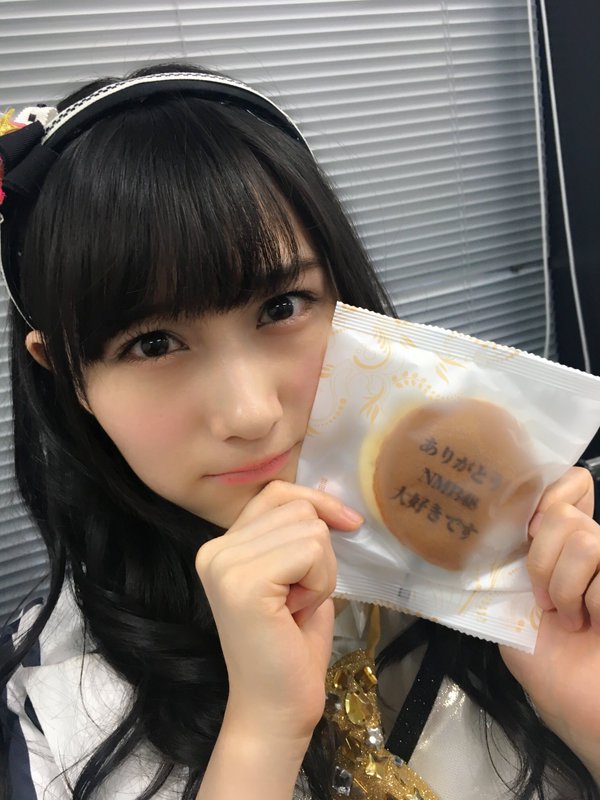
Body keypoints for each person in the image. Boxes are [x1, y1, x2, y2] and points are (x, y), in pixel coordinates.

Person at [0, 62, 599, 800]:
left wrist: (588, 714)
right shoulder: (59, 704)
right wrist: (261, 736)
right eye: (152, 344)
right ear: (67, 374)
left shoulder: (548, 573)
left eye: (282, 306)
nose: (250, 413)